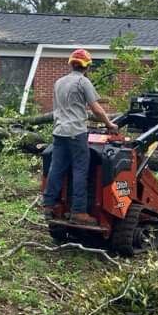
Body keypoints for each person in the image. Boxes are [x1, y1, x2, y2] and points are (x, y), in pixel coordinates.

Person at [43, 49, 118, 224]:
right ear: (87, 66)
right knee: (80, 170)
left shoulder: (59, 82)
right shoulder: (83, 82)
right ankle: (78, 212)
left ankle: (48, 205)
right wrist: (110, 125)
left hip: (59, 131)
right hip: (76, 133)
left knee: (56, 168)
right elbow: (96, 109)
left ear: (71, 63)